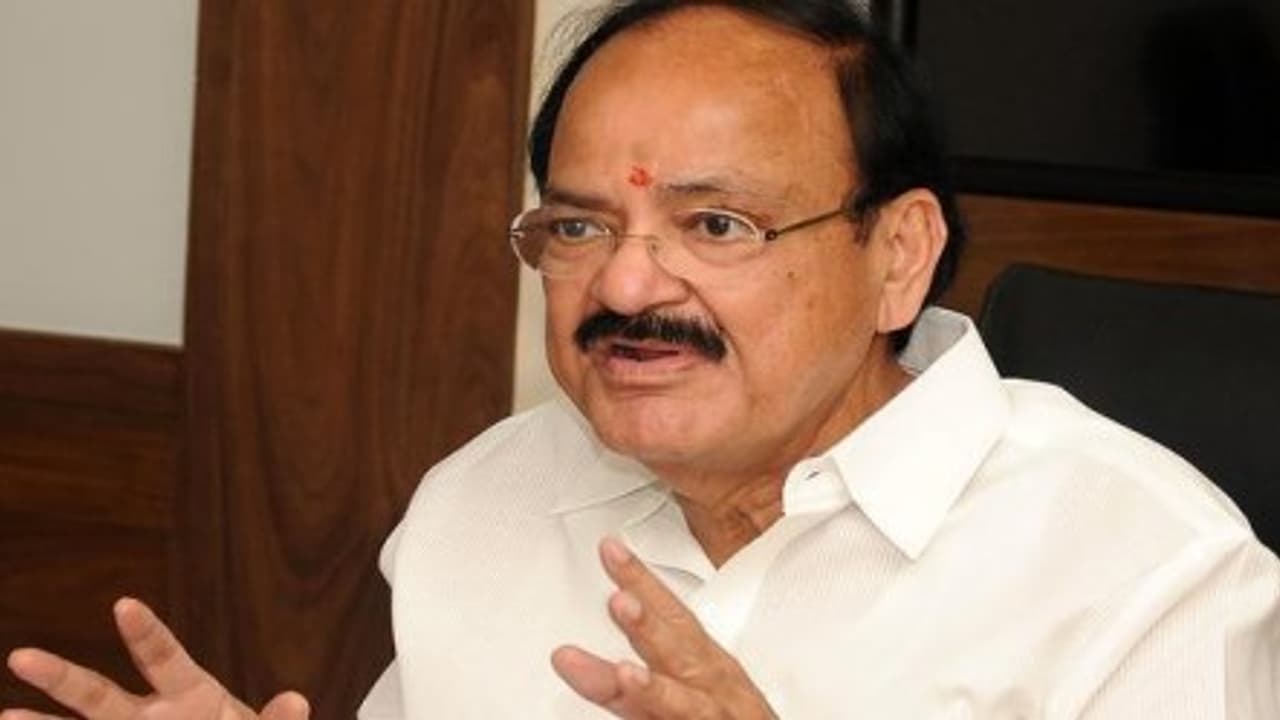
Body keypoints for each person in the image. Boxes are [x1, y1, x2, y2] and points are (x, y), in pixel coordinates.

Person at [6, 1, 1279, 718]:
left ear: (896, 257)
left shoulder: (1139, 573)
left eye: (715, 225)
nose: (622, 287)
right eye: (576, 228)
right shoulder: (487, 496)